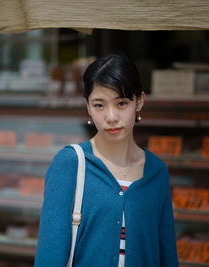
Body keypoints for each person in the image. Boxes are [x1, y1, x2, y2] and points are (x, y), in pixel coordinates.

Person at [34, 53, 178, 267]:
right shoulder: (71, 164)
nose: (111, 117)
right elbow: (49, 257)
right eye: (99, 105)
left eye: (121, 103)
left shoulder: (156, 171)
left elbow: (167, 257)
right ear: (88, 107)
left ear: (139, 102)